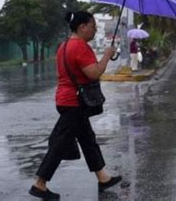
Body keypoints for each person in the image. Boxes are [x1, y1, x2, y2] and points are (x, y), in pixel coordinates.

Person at [29, 11, 121, 200]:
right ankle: (40, 184)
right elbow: (94, 73)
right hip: (74, 103)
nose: (95, 31)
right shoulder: (80, 47)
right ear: (82, 27)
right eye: (93, 27)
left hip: (66, 99)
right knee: (59, 145)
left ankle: (103, 178)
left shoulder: (63, 46)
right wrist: (107, 56)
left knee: (88, 139)